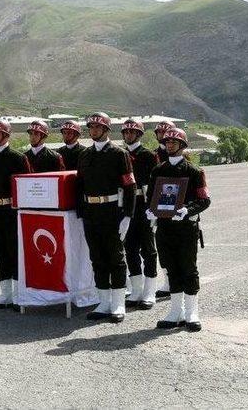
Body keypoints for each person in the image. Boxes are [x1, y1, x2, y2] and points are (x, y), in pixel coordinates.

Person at [146, 128, 211, 332]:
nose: (170, 145)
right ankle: (175, 311)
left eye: (175, 142)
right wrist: (150, 211)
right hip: (165, 228)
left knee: (188, 269)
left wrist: (187, 210)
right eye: (168, 142)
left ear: (182, 145)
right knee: (171, 268)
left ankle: (192, 312)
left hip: (185, 228)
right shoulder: (158, 171)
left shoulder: (194, 172)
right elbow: (151, 199)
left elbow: (204, 200)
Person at [76, 112, 136, 323]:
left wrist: (128, 215)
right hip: (91, 213)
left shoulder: (119, 154)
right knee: (97, 258)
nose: (93, 131)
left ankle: (118, 303)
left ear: (106, 130)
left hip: (112, 212)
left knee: (115, 259)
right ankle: (104, 302)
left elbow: (130, 186)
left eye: (97, 127)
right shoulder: (84, 155)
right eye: (91, 127)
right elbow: (79, 185)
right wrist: (80, 212)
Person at [0, 119, 31, 310]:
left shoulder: (18, 158)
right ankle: (5, 293)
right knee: (0, 252)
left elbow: (26, 188)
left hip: (13, 212)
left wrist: (24, 213)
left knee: (14, 252)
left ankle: (18, 294)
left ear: (6, 135)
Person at [120, 118, 160, 310]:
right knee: (130, 249)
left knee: (148, 250)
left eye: (132, 132)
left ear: (139, 135)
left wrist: (154, 210)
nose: (128, 135)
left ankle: (149, 292)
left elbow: (156, 184)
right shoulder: (120, 154)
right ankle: (136, 290)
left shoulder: (148, 156)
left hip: (144, 206)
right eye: (126, 132)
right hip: (127, 206)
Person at [153, 120, 176, 298]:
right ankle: (168, 282)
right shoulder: (155, 154)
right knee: (162, 245)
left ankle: (179, 280)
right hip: (160, 203)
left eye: (165, 132)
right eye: (160, 133)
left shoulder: (179, 155)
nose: (162, 136)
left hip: (177, 204)